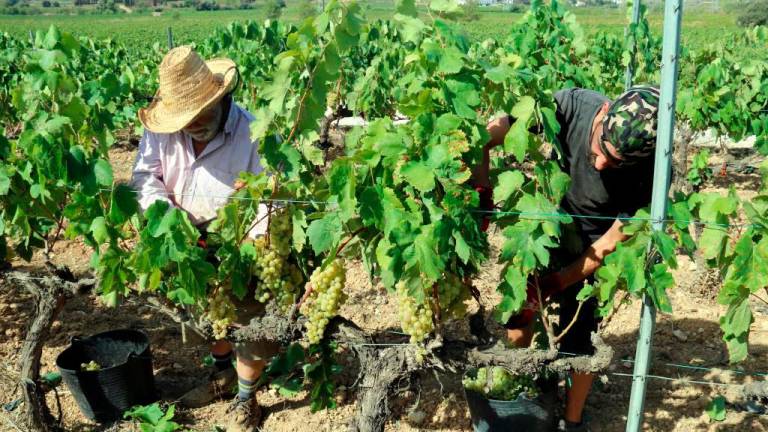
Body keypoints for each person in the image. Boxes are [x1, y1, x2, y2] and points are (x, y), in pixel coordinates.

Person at [474, 86, 661, 431]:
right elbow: (494, 132)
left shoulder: (653, 170)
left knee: (580, 338)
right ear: (603, 113)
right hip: (547, 221)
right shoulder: (571, 106)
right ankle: (520, 386)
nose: (603, 163)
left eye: (617, 161)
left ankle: (572, 421)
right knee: (520, 307)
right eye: (603, 149)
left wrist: (558, 282)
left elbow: (612, 242)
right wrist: (482, 187)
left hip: (594, 242)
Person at [131, 45, 273, 432]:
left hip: (240, 238)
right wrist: (168, 218)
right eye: (183, 118)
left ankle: (246, 400)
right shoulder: (160, 130)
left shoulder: (253, 132)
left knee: (248, 323)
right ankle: (222, 374)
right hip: (183, 234)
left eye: (199, 113)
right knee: (206, 316)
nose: (191, 123)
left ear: (220, 97)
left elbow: (269, 197)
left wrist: (252, 241)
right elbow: (145, 177)